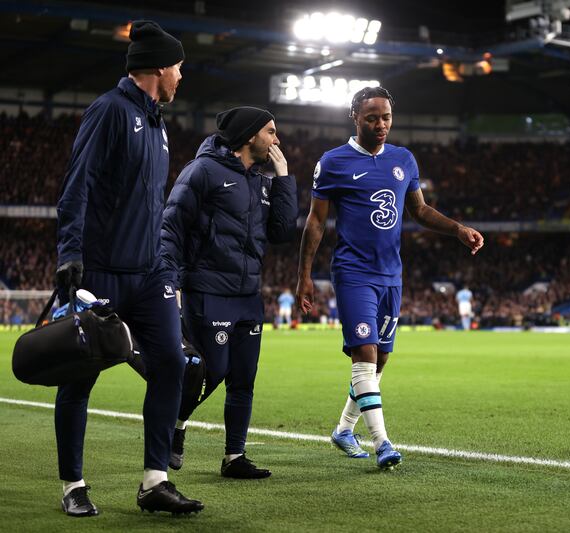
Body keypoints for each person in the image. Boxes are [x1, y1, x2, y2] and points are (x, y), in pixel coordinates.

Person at [54, 20, 202, 516]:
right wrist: (69, 252)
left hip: (149, 272)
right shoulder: (110, 110)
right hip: (101, 271)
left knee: (172, 365)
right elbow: (78, 184)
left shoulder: (158, 124)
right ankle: (73, 486)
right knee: (79, 379)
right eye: (179, 66)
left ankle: (154, 482)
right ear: (159, 67)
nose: (183, 75)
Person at [296, 87, 484, 469]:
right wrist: (304, 275)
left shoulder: (404, 159)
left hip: (391, 275)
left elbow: (420, 210)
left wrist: (458, 230)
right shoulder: (333, 162)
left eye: (386, 117)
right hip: (352, 273)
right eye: (371, 118)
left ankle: (344, 430)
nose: (380, 125)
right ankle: (383, 443)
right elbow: (315, 222)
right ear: (355, 117)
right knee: (363, 356)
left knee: (378, 362)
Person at [161, 106, 297, 478]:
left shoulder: (261, 180)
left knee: (244, 378)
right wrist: (169, 281)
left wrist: (283, 176)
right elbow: (171, 225)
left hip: (248, 294)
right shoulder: (203, 171)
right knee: (212, 370)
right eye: (271, 131)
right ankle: (175, 424)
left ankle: (234, 457)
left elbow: (283, 231)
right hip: (208, 288)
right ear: (251, 135)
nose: (276, 139)